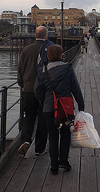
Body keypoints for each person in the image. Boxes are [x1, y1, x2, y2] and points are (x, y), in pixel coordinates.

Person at [35, 44, 85, 175]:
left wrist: (43, 101)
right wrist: (81, 105)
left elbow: (38, 90)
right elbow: (75, 88)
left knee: (52, 135)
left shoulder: (43, 70)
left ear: (49, 55)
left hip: (49, 108)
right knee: (65, 133)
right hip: (65, 108)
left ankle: (54, 166)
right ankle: (64, 161)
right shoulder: (67, 68)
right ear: (61, 54)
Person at [17, 26, 53, 156]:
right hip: (43, 89)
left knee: (29, 116)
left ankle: (25, 139)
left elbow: (20, 68)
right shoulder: (50, 48)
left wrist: (21, 84)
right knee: (43, 118)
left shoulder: (26, 50)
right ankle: (39, 148)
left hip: (28, 88)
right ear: (46, 36)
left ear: (35, 36)